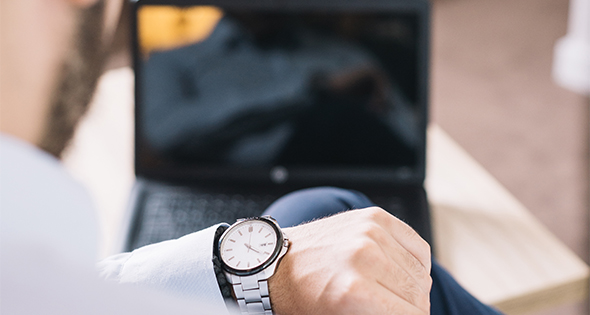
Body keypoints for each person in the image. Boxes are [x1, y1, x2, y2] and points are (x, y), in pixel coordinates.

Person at [0, 0, 502, 314]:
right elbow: (172, 130)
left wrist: (243, 270)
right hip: (236, 164)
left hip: (334, 156)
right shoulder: (181, 61)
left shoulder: (324, 46)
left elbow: (395, 121)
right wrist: (308, 91)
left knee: (318, 208)